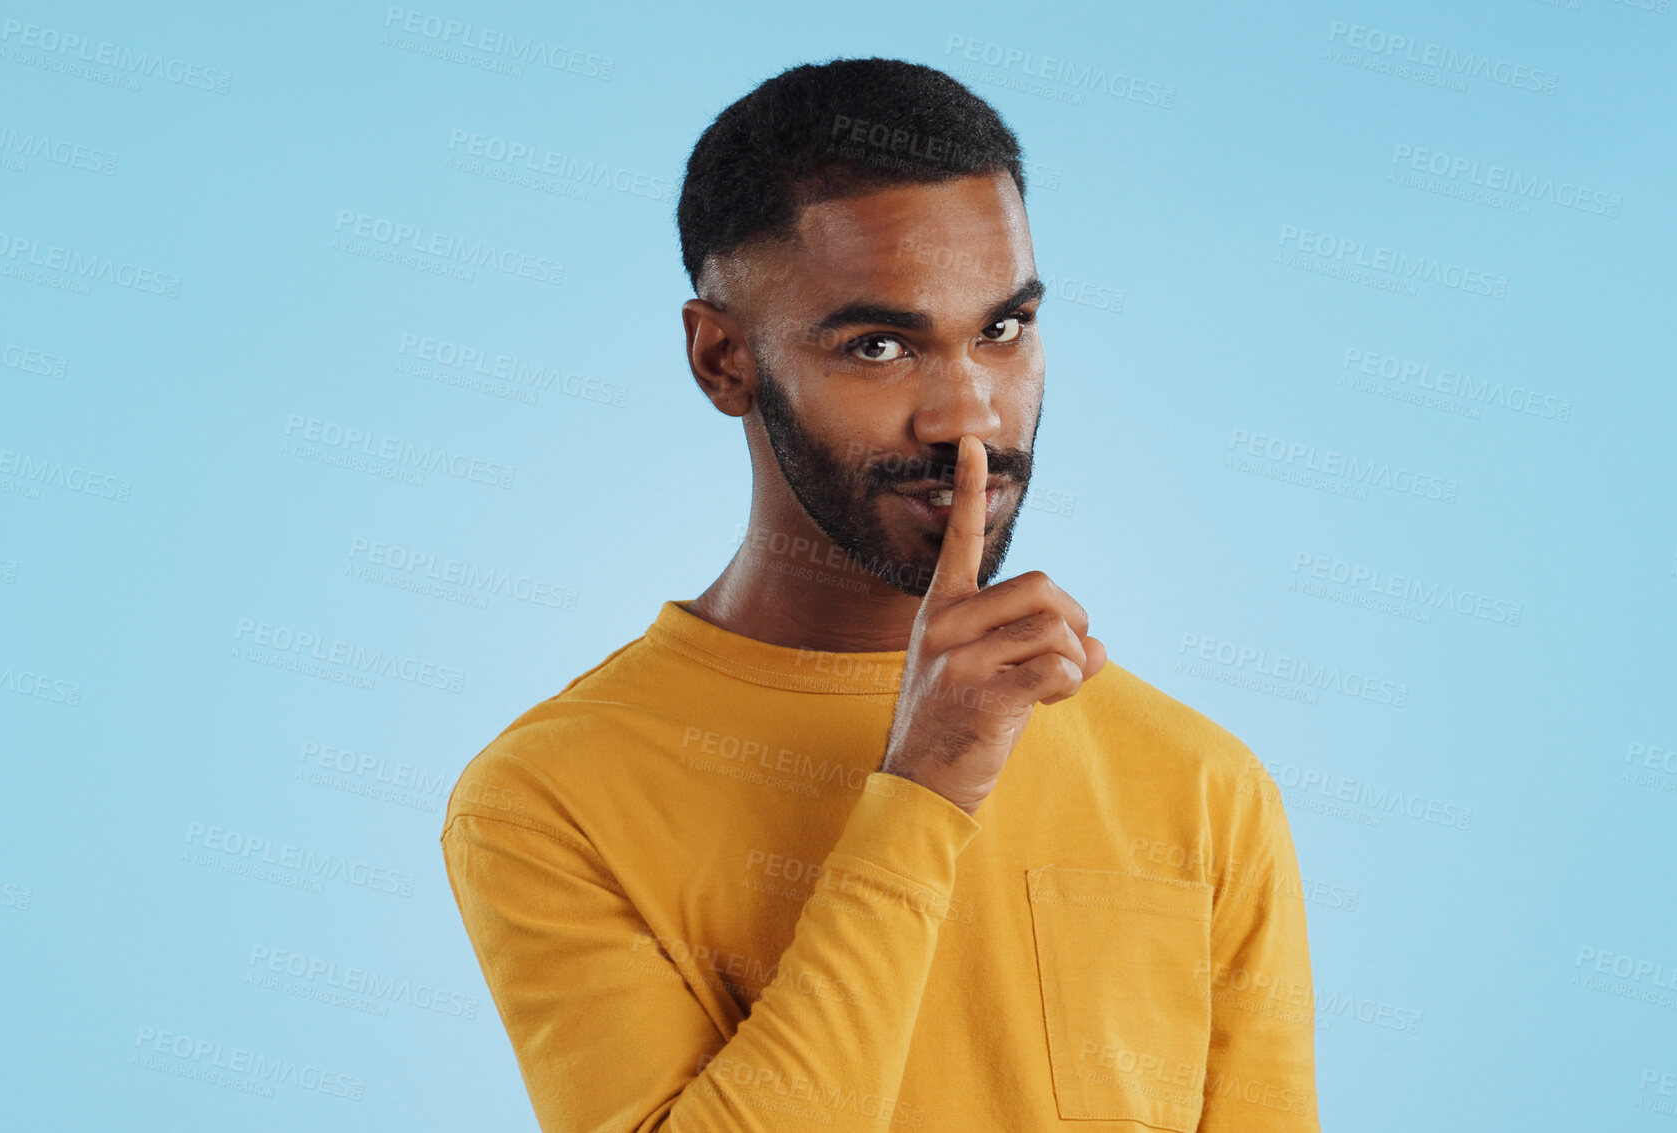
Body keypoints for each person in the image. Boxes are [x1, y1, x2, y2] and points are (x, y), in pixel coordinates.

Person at [441, 56, 1320, 1132]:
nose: (971, 418)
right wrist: (924, 792)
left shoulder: (1198, 780)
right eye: (880, 345)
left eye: (1002, 330)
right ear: (723, 359)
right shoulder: (549, 797)